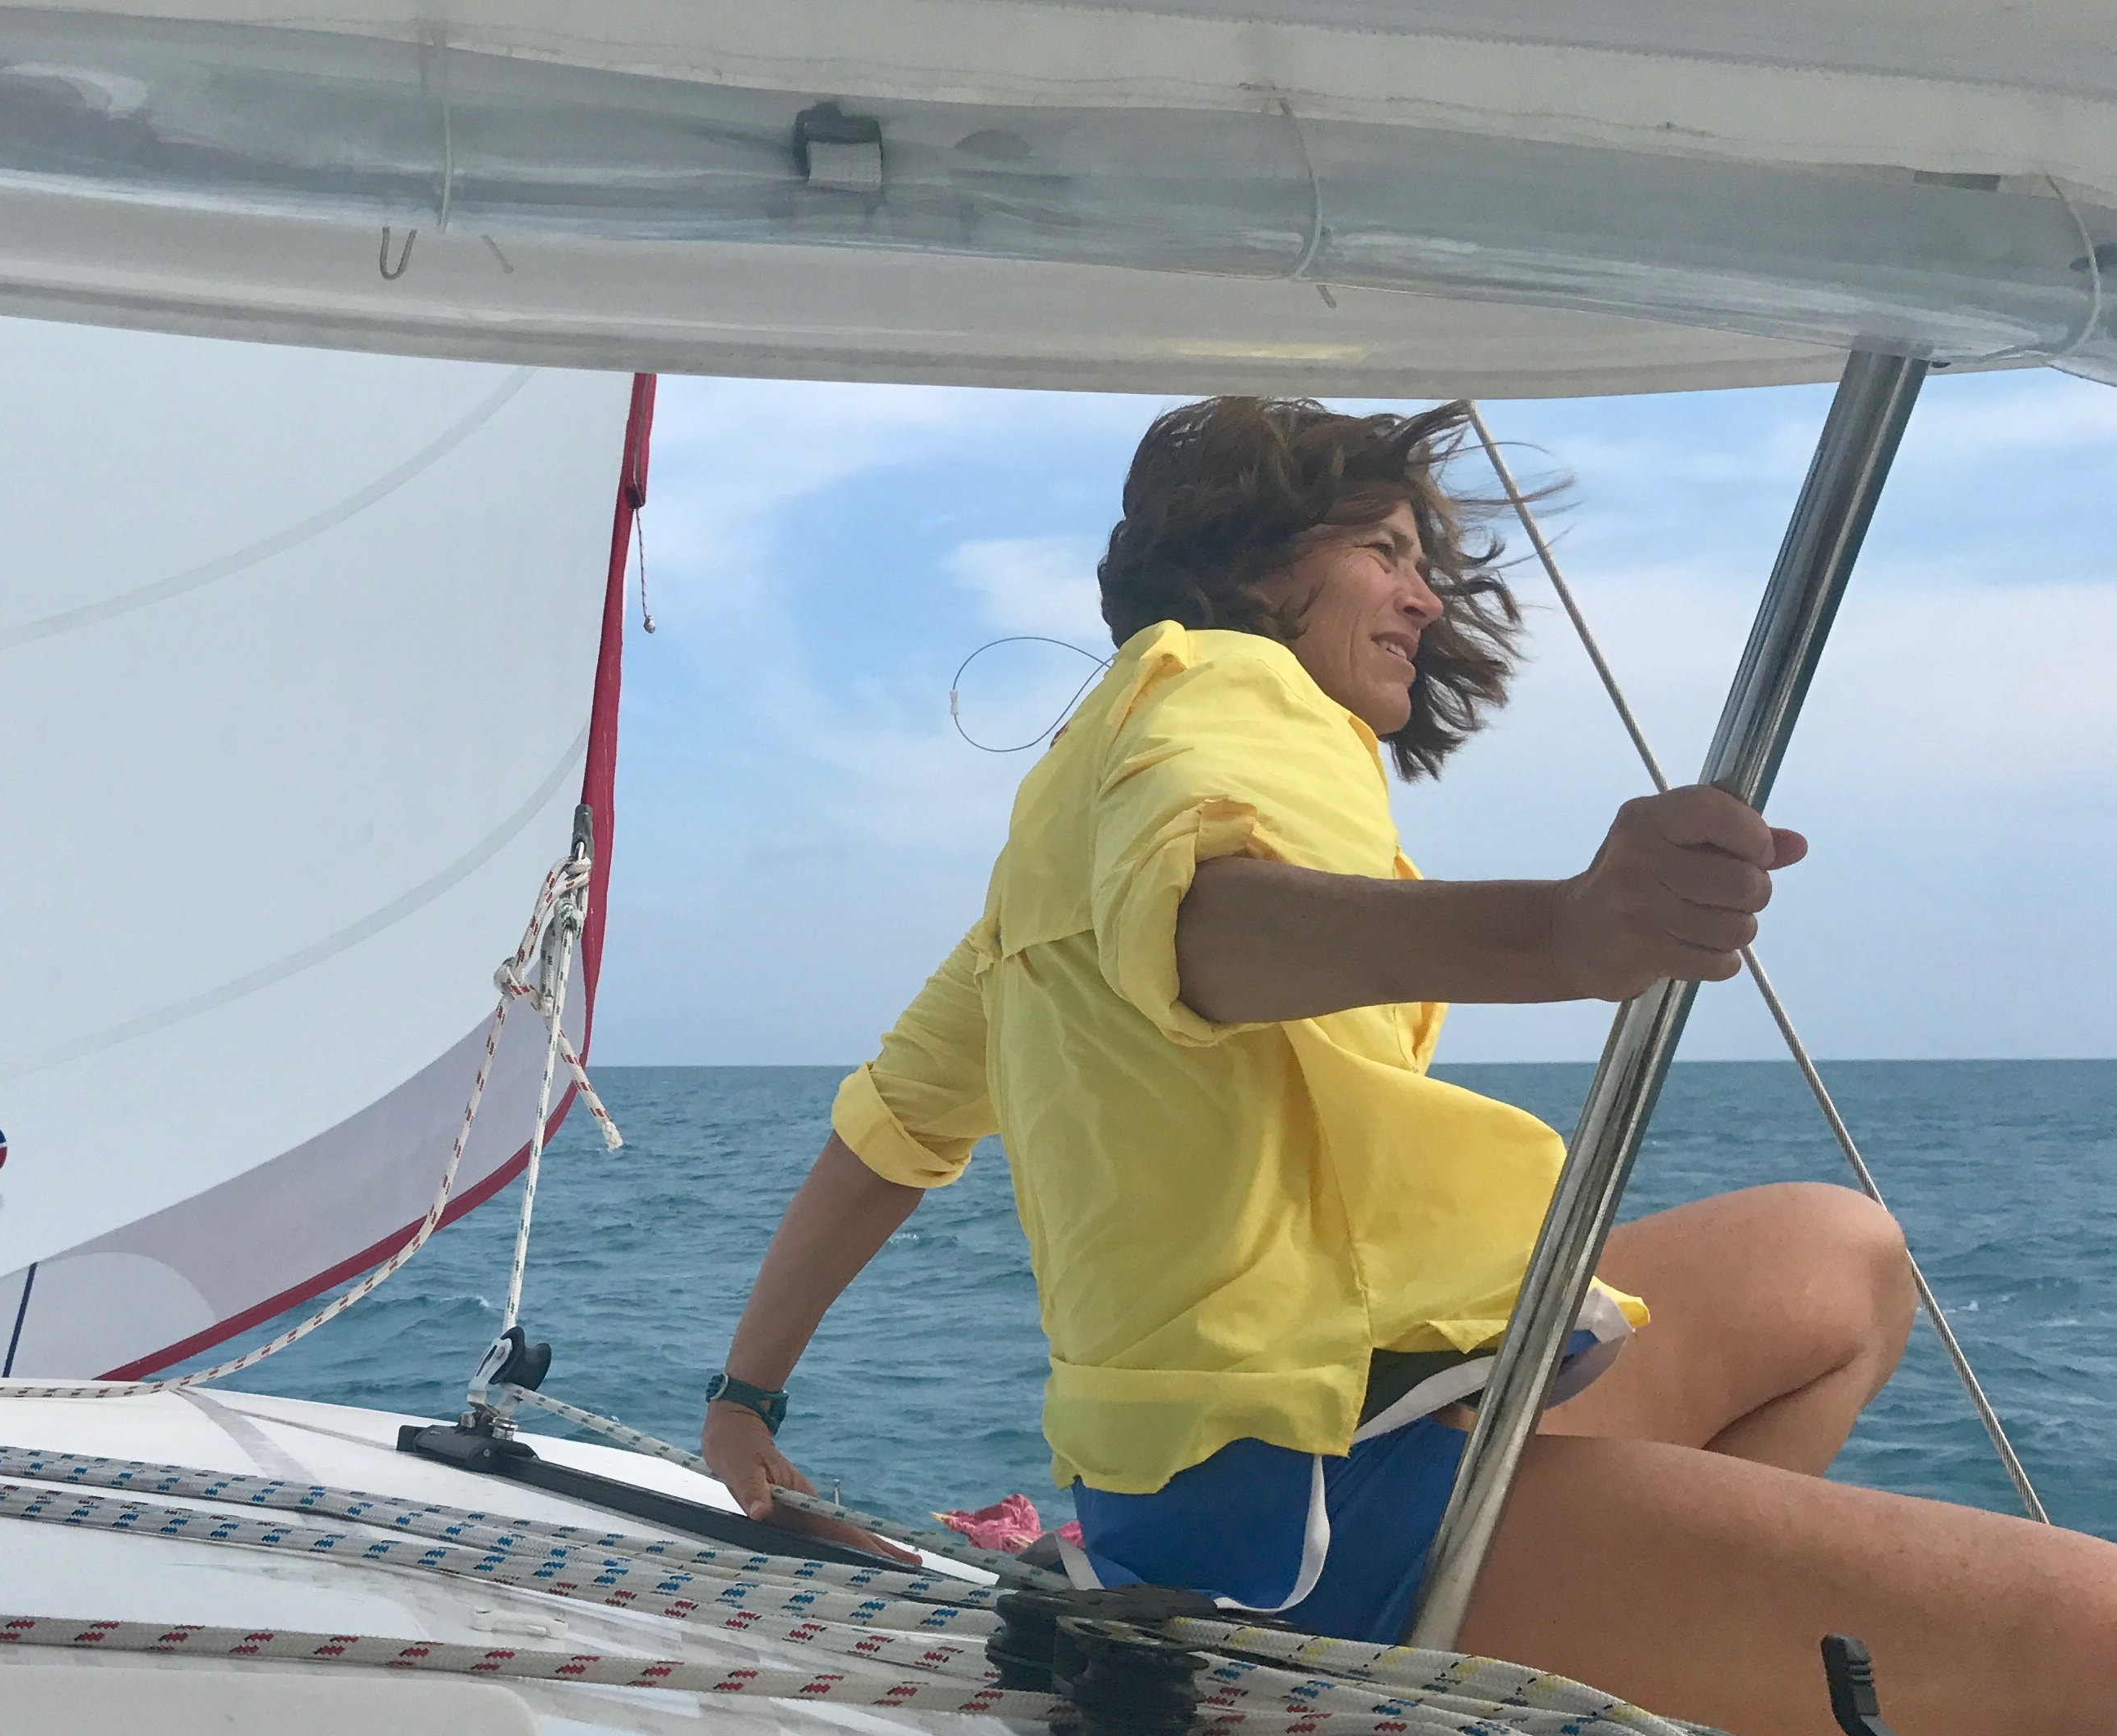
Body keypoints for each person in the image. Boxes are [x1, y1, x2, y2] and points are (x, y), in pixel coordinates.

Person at [699, 398, 2117, 1736]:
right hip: (1317, 1509)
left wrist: (744, 1399)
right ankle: (1574, 1635)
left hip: (1264, 1466)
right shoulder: (1228, 684)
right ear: (1251, 564)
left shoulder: (1050, 866)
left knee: (1842, 1256)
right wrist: (1567, 930)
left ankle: (1610, 1650)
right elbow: (1211, 924)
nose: (1425, 595)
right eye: (1382, 550)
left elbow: (893, 1131)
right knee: (2093, 1642)